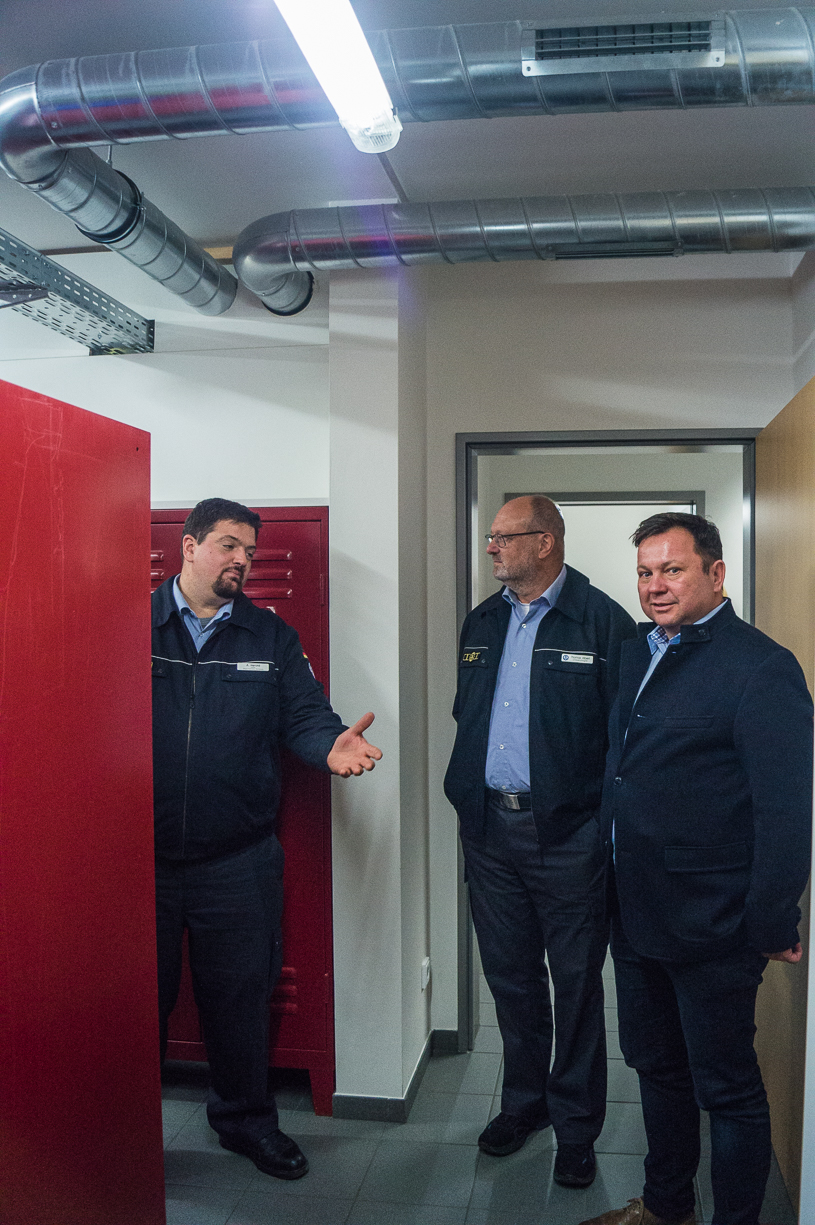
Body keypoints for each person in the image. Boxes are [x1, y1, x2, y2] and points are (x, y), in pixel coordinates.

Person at [579, 513, 812, 1225]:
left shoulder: (760, 667)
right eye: (645, 572)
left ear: (715, 574)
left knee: (727, 1090)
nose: (655, 585)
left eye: (672, 569)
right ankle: (665, 1207)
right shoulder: (636, 654)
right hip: (634, 912)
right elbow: (622, 771)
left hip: (713, 924)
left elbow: (785, 811)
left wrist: (771, 920)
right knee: (656, 1068)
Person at [152, 498, 382, 1181]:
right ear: (188, 546)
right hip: (138, 863)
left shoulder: (270, 636)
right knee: (133, 1006)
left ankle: (247, 1122)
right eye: (228, 545)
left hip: (238, 861)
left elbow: (305, 716)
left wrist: (330, 746)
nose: (242, 560)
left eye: (250, 551)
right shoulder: (131, 624)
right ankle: (125, 1135)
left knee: (239, 1003)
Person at [444, 495, 637, 1188]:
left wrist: (601, 830)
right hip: (490, 832)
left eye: (504, 536)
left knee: (578, 985)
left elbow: (624, 741)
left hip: (569, 838)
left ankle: (577, 1127)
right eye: (491, 536)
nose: (491, 547)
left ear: (545, 541)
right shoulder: (482, 620)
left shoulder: (604, 622)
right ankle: (524, 1103)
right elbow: (468, 715)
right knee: (511, 979)